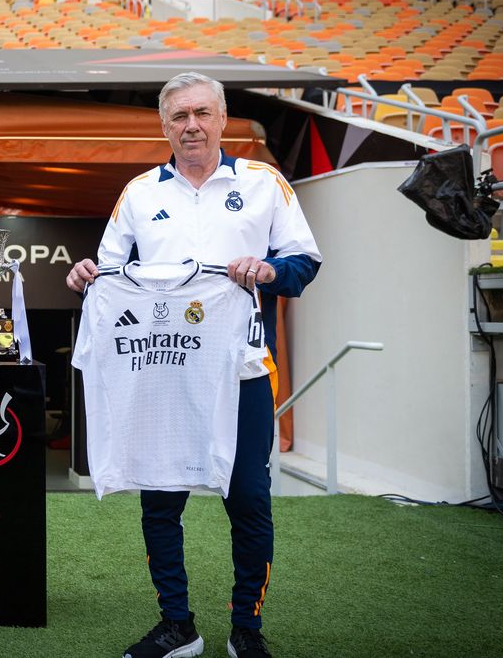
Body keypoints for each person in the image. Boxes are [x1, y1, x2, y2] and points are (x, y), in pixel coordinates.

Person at [66, 72, 321, 658]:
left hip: (243, 370)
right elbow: (105, 272)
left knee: (249, 499)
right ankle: (177, 624)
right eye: (179, 116)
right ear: (164, 125)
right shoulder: (138, 193)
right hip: (163, 372)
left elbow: (305, 263)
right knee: (160, 500)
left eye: (202, 113)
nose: (192, 125)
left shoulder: (264, 184)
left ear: (222, 119)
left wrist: (267, 271)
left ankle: (246, 628)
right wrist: (83, 277)